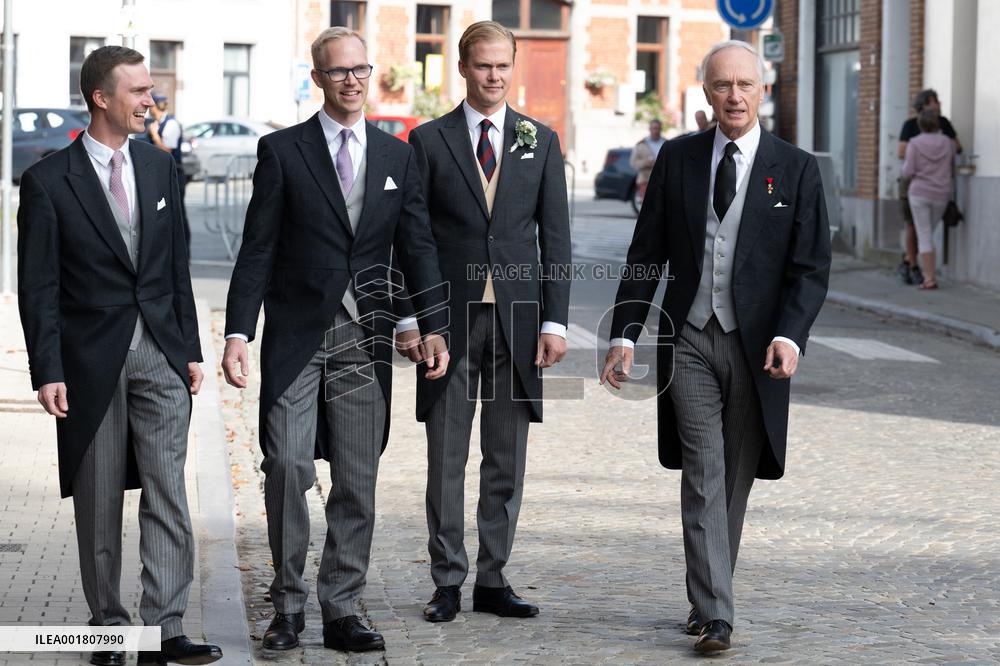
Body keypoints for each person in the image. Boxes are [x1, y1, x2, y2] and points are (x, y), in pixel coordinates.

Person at [221, 27, 450, 653]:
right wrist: (239, 331)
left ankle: (343, 607)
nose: (352, 80)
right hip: (296, 334)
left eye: (361, 69)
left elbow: (417, 246)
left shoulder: (397, 155)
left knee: (356, 478)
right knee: (287, 465)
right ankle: (288, 605)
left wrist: (431, 325)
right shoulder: (283, 151)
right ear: (318, 79)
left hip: (367, 337)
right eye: (338, 71)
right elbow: (257, 250)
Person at [600, 41, 830, 654]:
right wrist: (624, 332)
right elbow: (646, 253)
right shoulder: (676, 160)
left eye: (745, 85)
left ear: (763, 92)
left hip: (758, 349)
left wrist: (790, 335)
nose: (734, 96)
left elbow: (809, 269)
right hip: (690, 338)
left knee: (734, 478)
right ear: (706, 93)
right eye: (722, 85)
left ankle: (708, 595)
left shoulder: (797, 168)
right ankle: (716, 613)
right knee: (702, 470)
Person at [16, 46, 220, 666]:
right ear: (102, 98)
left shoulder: (160, 169)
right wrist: (46, 368)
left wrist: (188, 347)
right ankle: (108, 628)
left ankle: (165, 630)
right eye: (137, 91)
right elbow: (39, 286)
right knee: (100, 502)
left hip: (159, 352)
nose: (150, 101)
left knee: (168, 494)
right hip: (88, 363)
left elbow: (177, 267)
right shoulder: (49, 181)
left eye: (150, 89)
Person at [396, 20, 571, 624]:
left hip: (519, 322)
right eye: (482, 66)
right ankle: (447, 579)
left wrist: (557, 323)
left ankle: (493, 579)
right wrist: (414, 318)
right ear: (463, 68)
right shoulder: (428, 140)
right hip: (449, 320)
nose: (493, 77)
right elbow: (410, 235)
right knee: (445, 455)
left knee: (506, 457)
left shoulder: (539, 140)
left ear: (511, 68)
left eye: (502, 66)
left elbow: (557, 239)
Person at [896, 89, 961, 285]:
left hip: (919, 192)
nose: (938, 104)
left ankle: (926, 275)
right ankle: (913, 264)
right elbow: (954, 157)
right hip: (942, 192)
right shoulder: (948, 143)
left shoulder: (914, 143)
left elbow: (907, 171)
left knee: (922, 233)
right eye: (934, 101)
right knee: (924, 232)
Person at [148, 95, 190, 253]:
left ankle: (184, 252)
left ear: (154, 107)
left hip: (175, 173)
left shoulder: (170, 123)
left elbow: (167, 150)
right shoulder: (157, 123)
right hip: (160, 173)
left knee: (178, 214)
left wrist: (154, 135)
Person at [630, 118, 665, 201]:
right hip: (646, 179)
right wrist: (645, 163)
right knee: (647, 204)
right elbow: (633, 163)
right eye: (654, 128)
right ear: (649, 129)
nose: (656, 131)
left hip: (662, 179)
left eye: (658, 128)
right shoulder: (641, 144)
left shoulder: (665, 143)